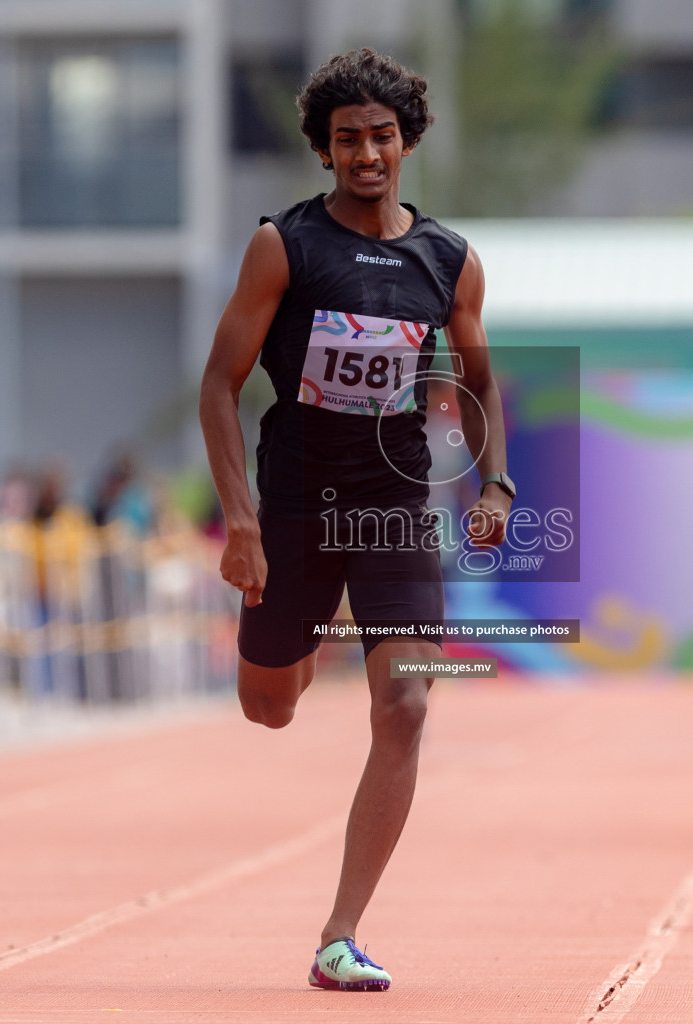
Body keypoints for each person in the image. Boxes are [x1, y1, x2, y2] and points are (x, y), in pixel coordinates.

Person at [199, 48, 512, 991]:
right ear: (325, 151)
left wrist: (496, 487)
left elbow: (481, 379)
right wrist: (241, 522)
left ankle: (340, 934)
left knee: (406, 706)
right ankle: (310, 630)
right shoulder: (283, 247)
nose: (366, 154)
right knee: (269, 707)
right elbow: (219, 384)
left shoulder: (450, 261)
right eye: (347, 141)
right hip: (294, 505)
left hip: (392, 508)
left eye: (381, 137)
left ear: (407, 143)